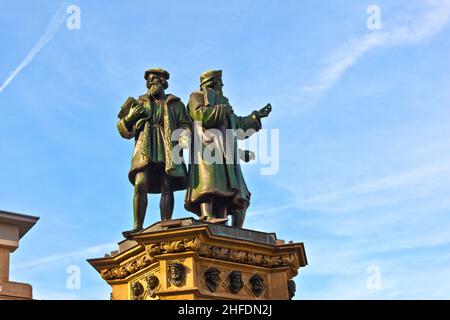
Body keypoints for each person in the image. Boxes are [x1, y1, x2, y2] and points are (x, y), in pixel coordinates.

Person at [185, 70, 272, 227]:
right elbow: (200, 116)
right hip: (206, 147)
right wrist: (221, 110)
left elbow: (237, 124)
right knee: (210, 183)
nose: (222, 86)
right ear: (213, 83)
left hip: (226, 151)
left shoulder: (223, 103)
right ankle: (206, 215)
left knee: (225, 187)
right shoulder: (196, 97)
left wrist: (255, 117)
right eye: (220, 83)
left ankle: (221, 217)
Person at [117, 68, 190, 238]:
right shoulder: (139, 102)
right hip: (145, 149)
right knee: (140, 182)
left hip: (168, 146)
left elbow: (185, 124)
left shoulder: (175, 103)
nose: (152, 83)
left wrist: (185, 135)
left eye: (156, 79)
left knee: (167, 184)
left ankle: (165, 222)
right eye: (150, 80)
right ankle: (137, 226)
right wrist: (129, 119)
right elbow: (122, 128)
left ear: (164, 82)